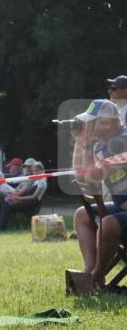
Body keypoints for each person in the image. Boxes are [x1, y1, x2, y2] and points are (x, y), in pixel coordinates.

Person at [71, 99, 127, 288]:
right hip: (122, 207)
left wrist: (86, 145)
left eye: (92, 122)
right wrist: (81, 143)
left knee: (108, 223)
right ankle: (89, 268)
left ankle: (97, 277)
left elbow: (94, 176)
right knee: (82, 215)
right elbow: (81, 177)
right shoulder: (102, 146)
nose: (88, 126)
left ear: (106, 122)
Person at [0, 160, 47, 231]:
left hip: (31, 204)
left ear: (42, 171)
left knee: (7, 205)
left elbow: (34, 197)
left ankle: (1, 227)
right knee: (4, 201)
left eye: (37, 171)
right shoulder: (36, 181)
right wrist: (18, 197)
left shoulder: (42, 182)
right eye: (34, 171)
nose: (36, 173)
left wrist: (19, 198)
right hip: (27, 201)